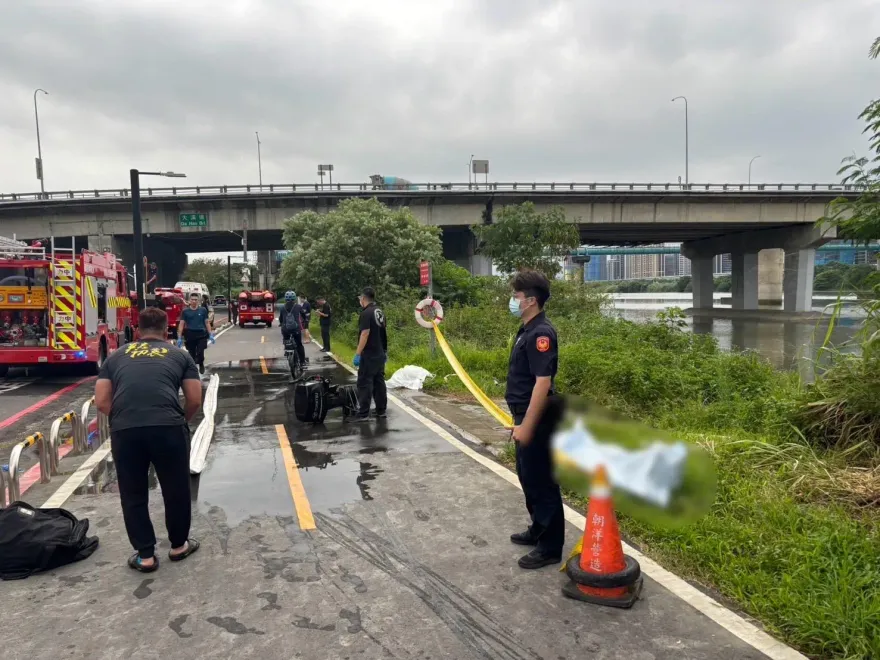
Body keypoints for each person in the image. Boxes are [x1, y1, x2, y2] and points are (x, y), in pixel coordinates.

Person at [94, 307, 202, 573]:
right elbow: (195, 399)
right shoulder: (180, 355)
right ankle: (178, 546)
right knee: (176, 489)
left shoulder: (115, 357)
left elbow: (101, 400)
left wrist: (126, 418)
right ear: (167, 330)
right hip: (168, 427)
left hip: (126, 430)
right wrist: (180, 420)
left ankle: (145, 556)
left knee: (132, 492)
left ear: (137, 330)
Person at [505, 270, 564, 570]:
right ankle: (538, 528)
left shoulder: (541, 333)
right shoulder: (527, 329)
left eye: (516, 297)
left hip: (538, 418)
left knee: (541, 479)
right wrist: (518, 419)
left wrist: (527, 424)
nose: (512, 301)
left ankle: (551, 547)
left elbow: (542, 382)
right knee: (527, 475)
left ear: (530, 301)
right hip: (526, 415)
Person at [352, 287, 387, 421]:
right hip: (379, 353)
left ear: (363, 298)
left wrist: (358, 353)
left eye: (360, 299)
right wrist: (384, 351)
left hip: (369, 354)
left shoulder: (366, 313)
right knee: (379, 383)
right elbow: (384, 332)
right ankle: (381, 411)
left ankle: (363, 413)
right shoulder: (379, 311)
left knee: (365, 383)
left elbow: (365, 333)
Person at [177, 292, 215, 375]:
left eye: (196, 300)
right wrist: (179, 337)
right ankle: (193, 371)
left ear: (199, 301)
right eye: (192, 300)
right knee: (192, 354)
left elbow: (207, 322)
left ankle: (201, 363)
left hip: (202, 334)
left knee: (200, 352)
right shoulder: (185, 311)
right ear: (189, 301)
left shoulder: (203, 310)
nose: (194, 301)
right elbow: (181, 324)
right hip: (190, 334)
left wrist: (211, 334)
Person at [279, 290, 306, 366]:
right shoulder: (298, 306)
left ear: (285, 298)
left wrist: (281, 323)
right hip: (296, 329)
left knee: (285, 339)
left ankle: (286, 350)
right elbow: (303, 315)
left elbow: (281, 318)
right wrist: (304, 320)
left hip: (286, 329)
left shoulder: (282, 307)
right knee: (299, 345)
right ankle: (302, 362)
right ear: (294, 298)